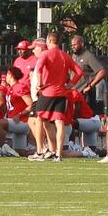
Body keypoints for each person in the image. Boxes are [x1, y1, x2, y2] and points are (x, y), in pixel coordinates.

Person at [29, 31, 80, 161]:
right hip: (61, 93)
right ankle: (58, 153)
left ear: (50, 41)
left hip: (47, 92)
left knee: (39, 118)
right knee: (59, 122)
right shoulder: (65, 55)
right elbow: (79, 72)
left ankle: (40, 151)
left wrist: (40, 84)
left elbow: (39, 69)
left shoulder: (46, 54)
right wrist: (71, 84)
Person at [71, 35, 108, 112]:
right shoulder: (74, 56)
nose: (73, 47)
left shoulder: (88, 56)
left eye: (75, 44)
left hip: (85, 94)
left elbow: (102, 72)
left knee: (84, 118)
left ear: (81, 44)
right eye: (72, 45)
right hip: (74, 93)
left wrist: (90, 86)